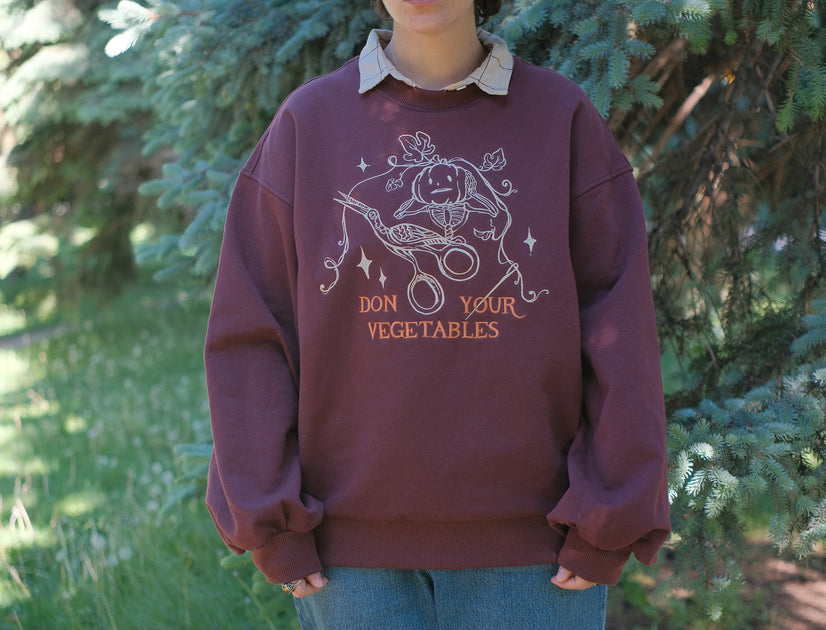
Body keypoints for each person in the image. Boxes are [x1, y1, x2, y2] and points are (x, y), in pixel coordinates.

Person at [204, 0, 671, 627]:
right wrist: (269, 518)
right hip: (348, 562)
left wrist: (609, 516)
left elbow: (620, 327)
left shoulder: (561, 119)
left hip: (537, 557)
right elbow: (251, 333)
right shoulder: (308, 125)